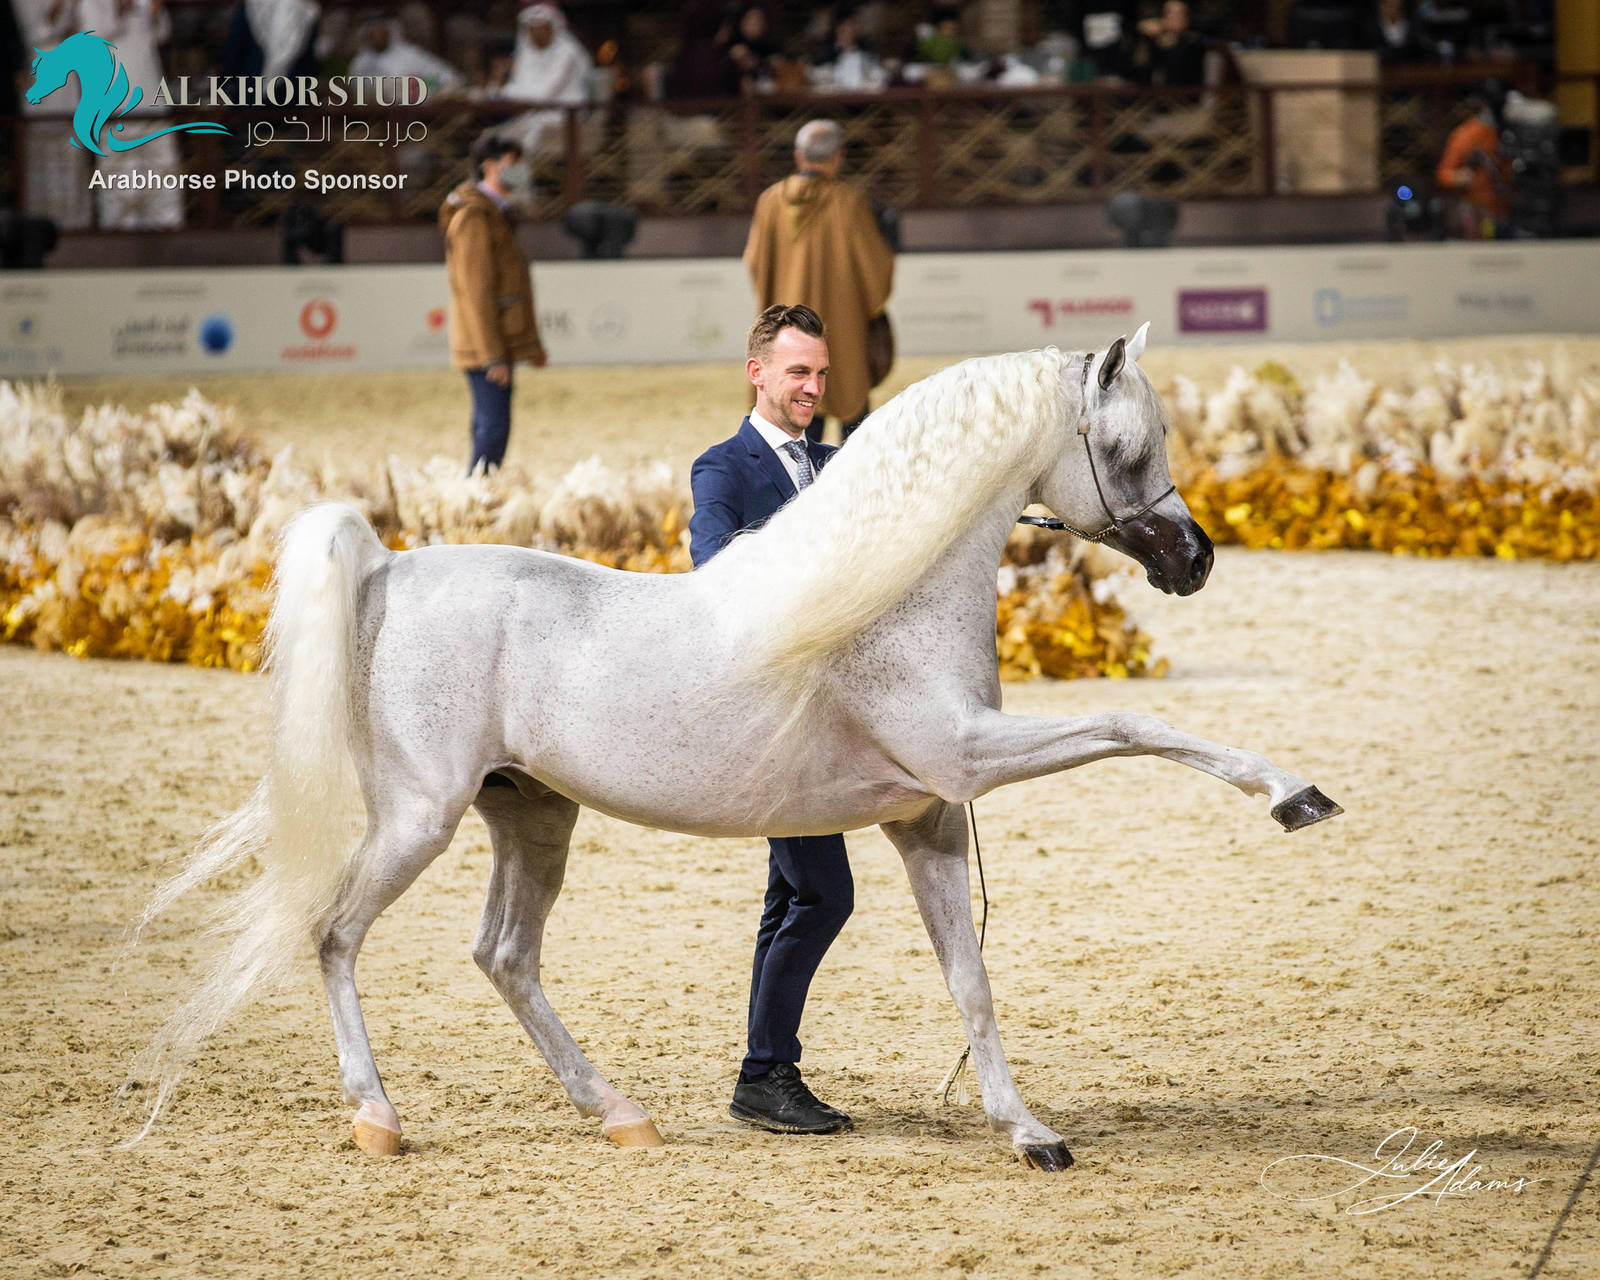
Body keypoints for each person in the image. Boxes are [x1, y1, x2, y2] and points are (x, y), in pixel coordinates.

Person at [687, 303, 855, 1136]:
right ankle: (763, 1072)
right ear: (758, 372)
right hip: (766, 719)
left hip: (821, 718)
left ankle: (764, 1073)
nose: (814, 389)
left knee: (790, 894)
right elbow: (713, 567)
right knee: (824, 895)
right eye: (798, 373)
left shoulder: (839, 460)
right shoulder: (722, 467)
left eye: (821, 374)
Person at [743, 120, 894, 443]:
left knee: (794, 421)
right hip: (843, 336)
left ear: (799, 156)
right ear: (837, 158)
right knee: (854, 431)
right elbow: (875, 270)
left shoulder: (770, 201)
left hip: (787, 335)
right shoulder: (849, 204)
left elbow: (755, 262)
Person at [439, 134, 547, 472]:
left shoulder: (493, 213)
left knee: (490, 424)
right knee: (493, 428)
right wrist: (493, 356)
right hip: (486, 345)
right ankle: (475, 494)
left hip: (493, 342)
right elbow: (476, 292)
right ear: (489, 167)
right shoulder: (475, 217)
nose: (520, 172)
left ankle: (476, 492)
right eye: (512, 164)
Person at [501, 4, 592, 152]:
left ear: (550, 29)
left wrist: (512, 93)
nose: (534, 34)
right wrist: (511, 92)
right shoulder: (527, 52)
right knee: (493, 140)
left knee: (516, 142)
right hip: (532, 116)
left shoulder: (567, 52)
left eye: (539, 28)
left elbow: (544, 94)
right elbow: (517, 85)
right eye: (531, 29)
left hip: (564, 116)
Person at [1436, 80, 1512, 239]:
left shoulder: (1510, 131)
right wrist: (1458, 177)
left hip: (1505, 205)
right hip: (1475, 205)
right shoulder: (1466, 134)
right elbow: (1443, 173)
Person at [348, 17, 462, 94]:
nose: (379, 37)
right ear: (367, 37)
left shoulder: (410, 54)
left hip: (421, 110)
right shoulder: (360, 62)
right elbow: (357, 89)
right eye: (374, 34)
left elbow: (446, 77)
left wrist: (418, 84)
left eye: (382, 33)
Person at [1128, 0, 1206, 88]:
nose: (1174, 18)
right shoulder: (1150, 40)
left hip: (1183, 94)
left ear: (1187, 18)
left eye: (1179, 14)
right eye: (1169, 13)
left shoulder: (1194, 42)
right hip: (1147, 95)